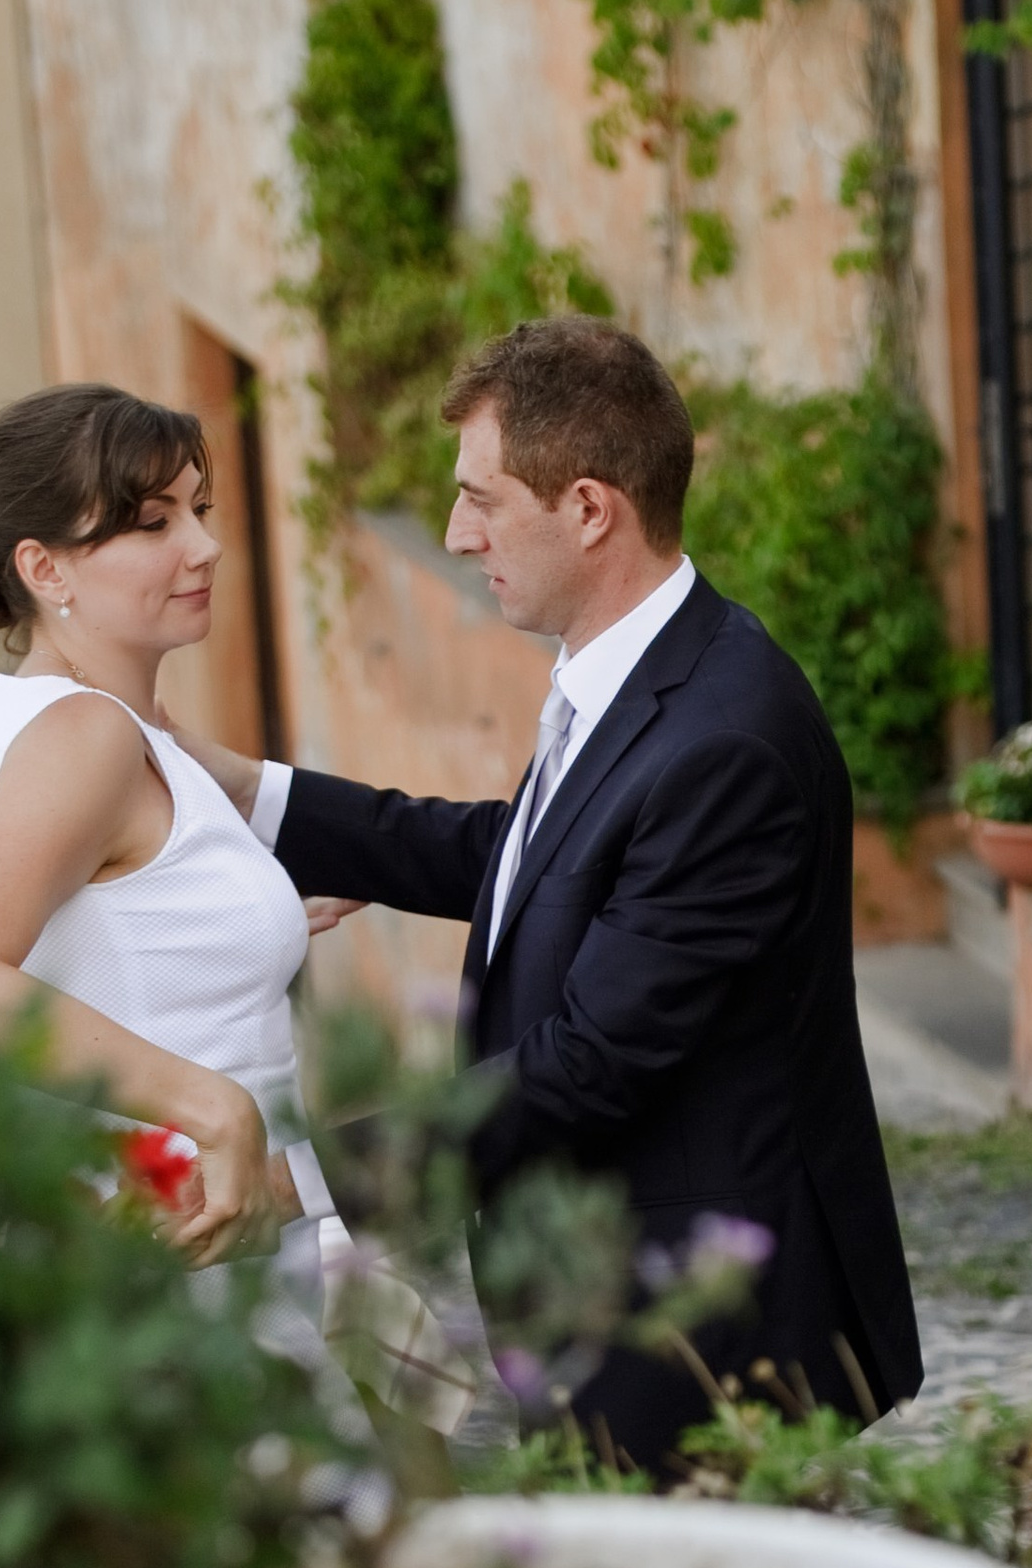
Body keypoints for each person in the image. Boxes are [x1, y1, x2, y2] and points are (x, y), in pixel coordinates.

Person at [191, 314, 921, 1470]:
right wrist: (266, 800)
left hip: (702, 1332)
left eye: (481, 500)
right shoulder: (644, 671)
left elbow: (588, 1063)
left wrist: (301, 1182)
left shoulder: (723, 743)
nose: (453, 531)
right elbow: (531, 858)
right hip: (608, 1299)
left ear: (588, 509)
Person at [0, 383, 344, 1282]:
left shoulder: (96, 725)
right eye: (152, 523)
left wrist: (253, 910)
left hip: (214, 1252)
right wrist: (215, 1111)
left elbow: (116, 932)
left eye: (200, 509)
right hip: (180, 1263)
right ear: (47, 569)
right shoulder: (83, 737)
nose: (205, 546)